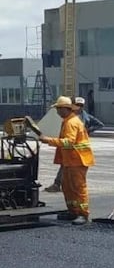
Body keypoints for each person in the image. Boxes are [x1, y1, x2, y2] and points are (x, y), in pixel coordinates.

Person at [35, 96, 95, 225]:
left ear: (65, 109)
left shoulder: (71, 123)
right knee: (67, 187)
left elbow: (69, 142)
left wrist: (47, 140)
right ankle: (73, 211)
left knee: (78, 187)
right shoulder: (67, 121)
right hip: (70, 160)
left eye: (58, 109)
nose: (57, 112)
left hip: (78, 160)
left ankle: (83, 214)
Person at [44, 96, 103, 192]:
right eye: (77, 104)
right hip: (71, 155)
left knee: (77, 186)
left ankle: (58, 185)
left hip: (77, 157)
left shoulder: (73, 121)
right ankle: (60, 188)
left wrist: (49, 140)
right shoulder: (69, 119)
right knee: (70, 185)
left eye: (80, 105)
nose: (78, 107)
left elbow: (69, 141)